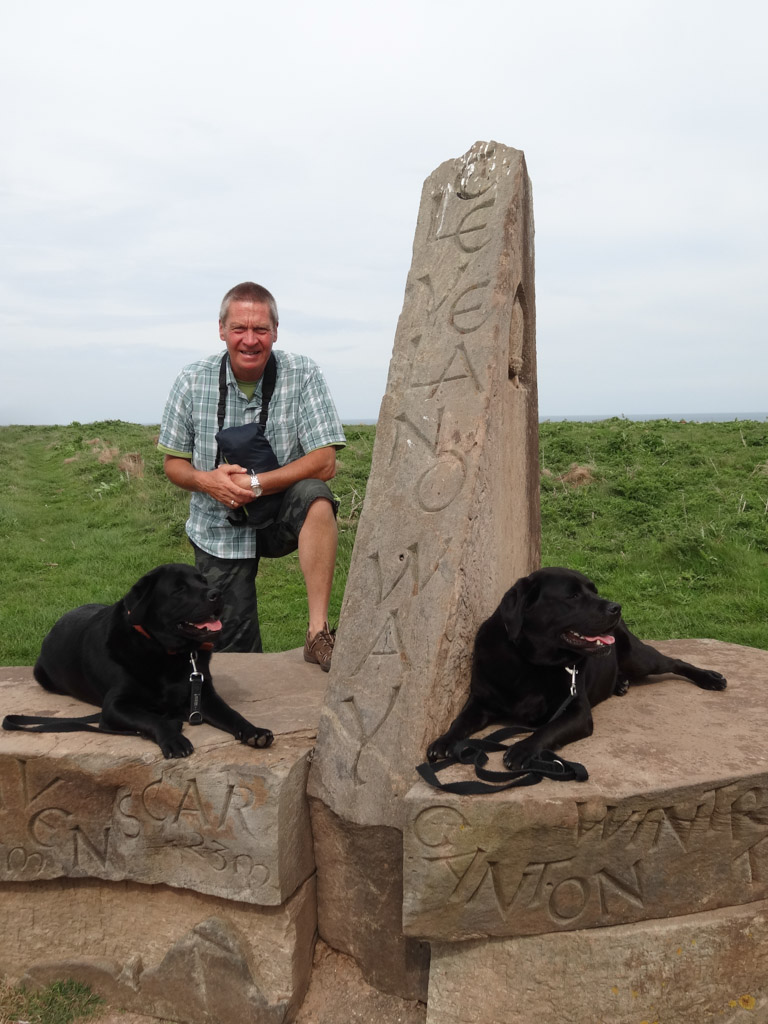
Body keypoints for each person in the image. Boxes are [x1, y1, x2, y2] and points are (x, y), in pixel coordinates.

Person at [157, 281, 346, 669]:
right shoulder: (192, 379)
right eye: (239, 329)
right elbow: (173, 464)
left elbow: (325, 460)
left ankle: (317, 632)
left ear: (275, 331)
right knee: (233, 653)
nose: (250, 340)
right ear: (221, 329)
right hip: (219, 525)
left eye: (260, 329)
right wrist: (207, 481)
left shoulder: (303, 373)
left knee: (316, 496)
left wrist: (256, 484)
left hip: (279, 510)